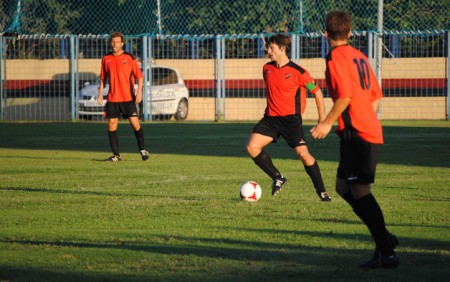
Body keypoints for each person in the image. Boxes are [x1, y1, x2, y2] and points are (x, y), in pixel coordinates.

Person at [310, 11, 399, 268]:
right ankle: (383, 239)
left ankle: (387, 249)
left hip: (358, 133)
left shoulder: (335, 57)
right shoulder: (359, 56)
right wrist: (361, 117)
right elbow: (375, 96)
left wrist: (326, 122)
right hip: (361, 130)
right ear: (350, 33)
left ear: (325, 34)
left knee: (359, 190)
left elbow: (345, 96)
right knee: (342, 187)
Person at [245, 33, 331, 201]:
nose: (268, 50)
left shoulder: (299, 72)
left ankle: (322, 192)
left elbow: (317, 92)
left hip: (291, 120)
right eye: (268, 47)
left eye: (271, 47)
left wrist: (322, 120)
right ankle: (278, 177)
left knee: (303, 155)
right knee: (252, 147)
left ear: (282, 49)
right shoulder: (267, 69)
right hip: (270, 119)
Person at [97, 32, 149, 162]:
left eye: (117, 42)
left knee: (135, 123)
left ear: (122, 43)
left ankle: (142, 150)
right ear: (111, 43)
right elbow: (103, 78)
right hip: (112, 98)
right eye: (113, 42)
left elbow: (140, 77)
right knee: (112, 125)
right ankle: (116, 155)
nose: (115, 44)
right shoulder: (106, 59)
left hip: (127, 98)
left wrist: (139, 92)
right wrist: (100, 94)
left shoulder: (129, 58)